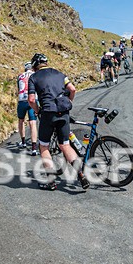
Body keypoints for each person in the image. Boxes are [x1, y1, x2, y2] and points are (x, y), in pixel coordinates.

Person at [27, 53, 89, 191]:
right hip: (63, 111)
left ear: (35, 65)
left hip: (48, 113)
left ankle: (51, 181)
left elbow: (31, 100)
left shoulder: (33, 77)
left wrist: (37, 111)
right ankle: (81, 174)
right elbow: (72, 89)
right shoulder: (60, 74)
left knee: (43, 147)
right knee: (65, 145)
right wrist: (68, 102)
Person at [16, 61, 39, 155]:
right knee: (32, 123)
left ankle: (23, 142)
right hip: (32, 99)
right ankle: (33, 148)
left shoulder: (20, 76)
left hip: (21, 100)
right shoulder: (35, 75)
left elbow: (18, 88)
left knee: (21, 120)